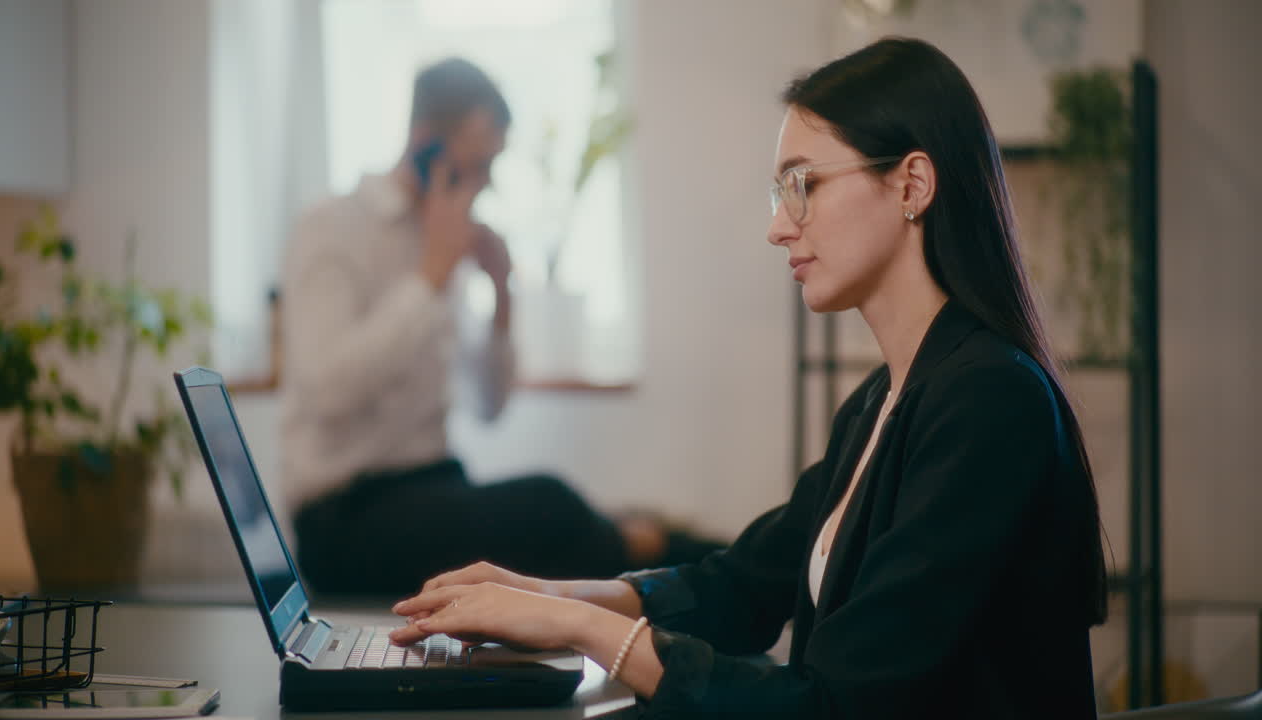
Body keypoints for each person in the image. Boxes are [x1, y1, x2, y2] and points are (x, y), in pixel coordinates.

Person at [385, 38, 1109, 718]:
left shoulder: (990, 402)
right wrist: (547, 595)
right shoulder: (880, 402)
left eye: (804, 184)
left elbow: (836, 703)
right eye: (779, 192)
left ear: (912, 184)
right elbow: (739, 588)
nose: (779, 226)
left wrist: (577, 627)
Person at [281, 57, 721, 596]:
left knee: (561, 522)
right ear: (424, 144)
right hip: (344, 517)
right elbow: (327, 390)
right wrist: (430, 278)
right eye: (477, 164)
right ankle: (697, 564)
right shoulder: (332, 227)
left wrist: (502, 294)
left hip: (434, 485)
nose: (485, 183)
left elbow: (488, 406)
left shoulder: (442, 238)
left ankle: (698, 562)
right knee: (550, 505)